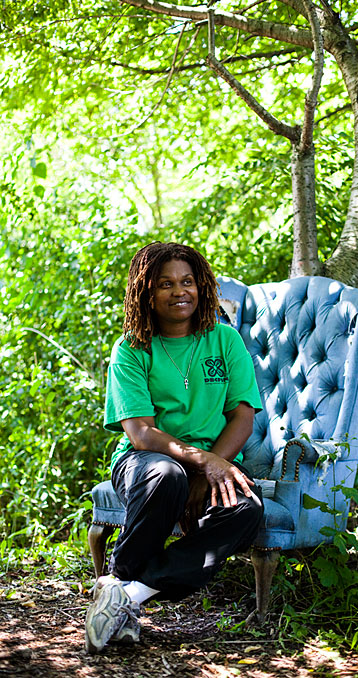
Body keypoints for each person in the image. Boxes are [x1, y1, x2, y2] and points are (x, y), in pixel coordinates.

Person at [85, 242, 264, 653]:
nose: (179, 291)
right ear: (146, 292)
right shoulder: (131, 348)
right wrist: (201, 463)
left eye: (187, 281)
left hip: (213, 459)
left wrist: (212, 465)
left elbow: (242, 415)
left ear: (201, 286)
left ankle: (124, 595)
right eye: (165, 284)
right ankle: (124, 587)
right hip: (146, 461)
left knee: (246, 509)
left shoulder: (225, 340)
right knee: (167, 476)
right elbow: (141, 433)